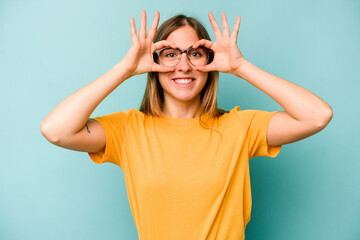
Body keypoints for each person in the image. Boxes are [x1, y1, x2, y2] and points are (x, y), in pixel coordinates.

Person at [40, 10, 333, 240]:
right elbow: (56, 130)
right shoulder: (129, 129)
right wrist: (125, 69)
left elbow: (317, 115)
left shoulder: (240, 127)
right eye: (170, 54)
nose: (184, 66)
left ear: (210, 61)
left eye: (195, 53)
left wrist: (241, 67)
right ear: (153, 64)